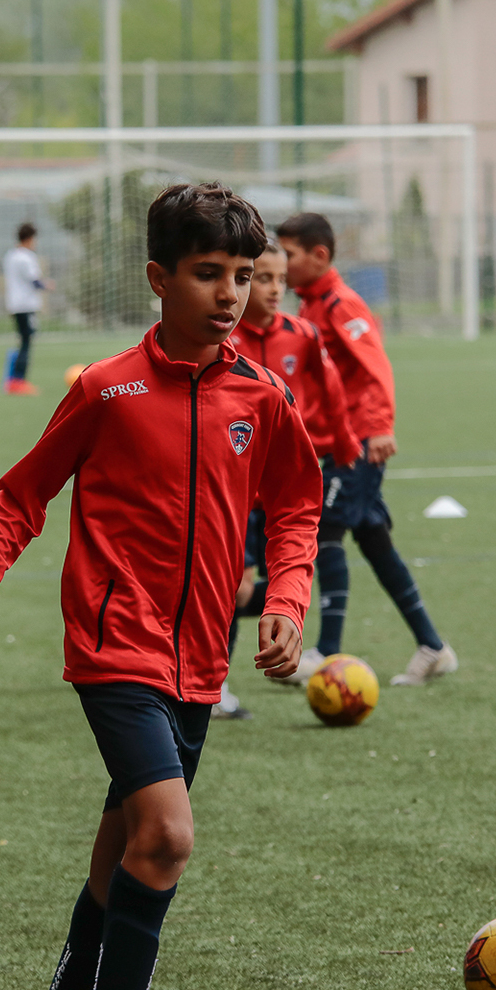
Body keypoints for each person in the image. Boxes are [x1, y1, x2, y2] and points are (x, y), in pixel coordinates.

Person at [0, 183, 320, 990]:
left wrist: (288, 597)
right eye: (206, 273)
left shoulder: (263, 397)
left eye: (244, 275)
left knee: (123, 848)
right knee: (168, 838)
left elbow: (296, 505)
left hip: (201, 660)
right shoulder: (106, 389)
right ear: (158, 277)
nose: (230, 295)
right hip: (115, 649)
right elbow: (19, 497)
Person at [275, 212, 457, 687]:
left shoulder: (341, 304)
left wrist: (378, 426)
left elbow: (374, 364)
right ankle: (433, 646)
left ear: (318, 256)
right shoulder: (308, 307)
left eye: (287, 254)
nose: (280, 262)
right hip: (333, 444)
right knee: (376, 545)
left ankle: (326, 652)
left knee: (324, 531)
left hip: (355, 444)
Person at [216, 243, 357, 718]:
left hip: (284, 488)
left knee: (287, 572)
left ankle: (295, 649)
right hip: (236, 488)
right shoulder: (220, 341)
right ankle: (212, 683)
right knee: (234, 585)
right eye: (263, 278)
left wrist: (345, 446)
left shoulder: (302, 334)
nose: (276, 289)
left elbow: (332, 391)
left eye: (280, 279)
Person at [4, 221, 49, 396]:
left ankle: (12, 379)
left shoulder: (11, 255)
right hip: (25, 305)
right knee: (26, 343)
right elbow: (35, 281)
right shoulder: (26, 257)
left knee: (22, 341)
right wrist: (48, 285)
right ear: (29, 239)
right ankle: (17, 381)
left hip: (15, 304)